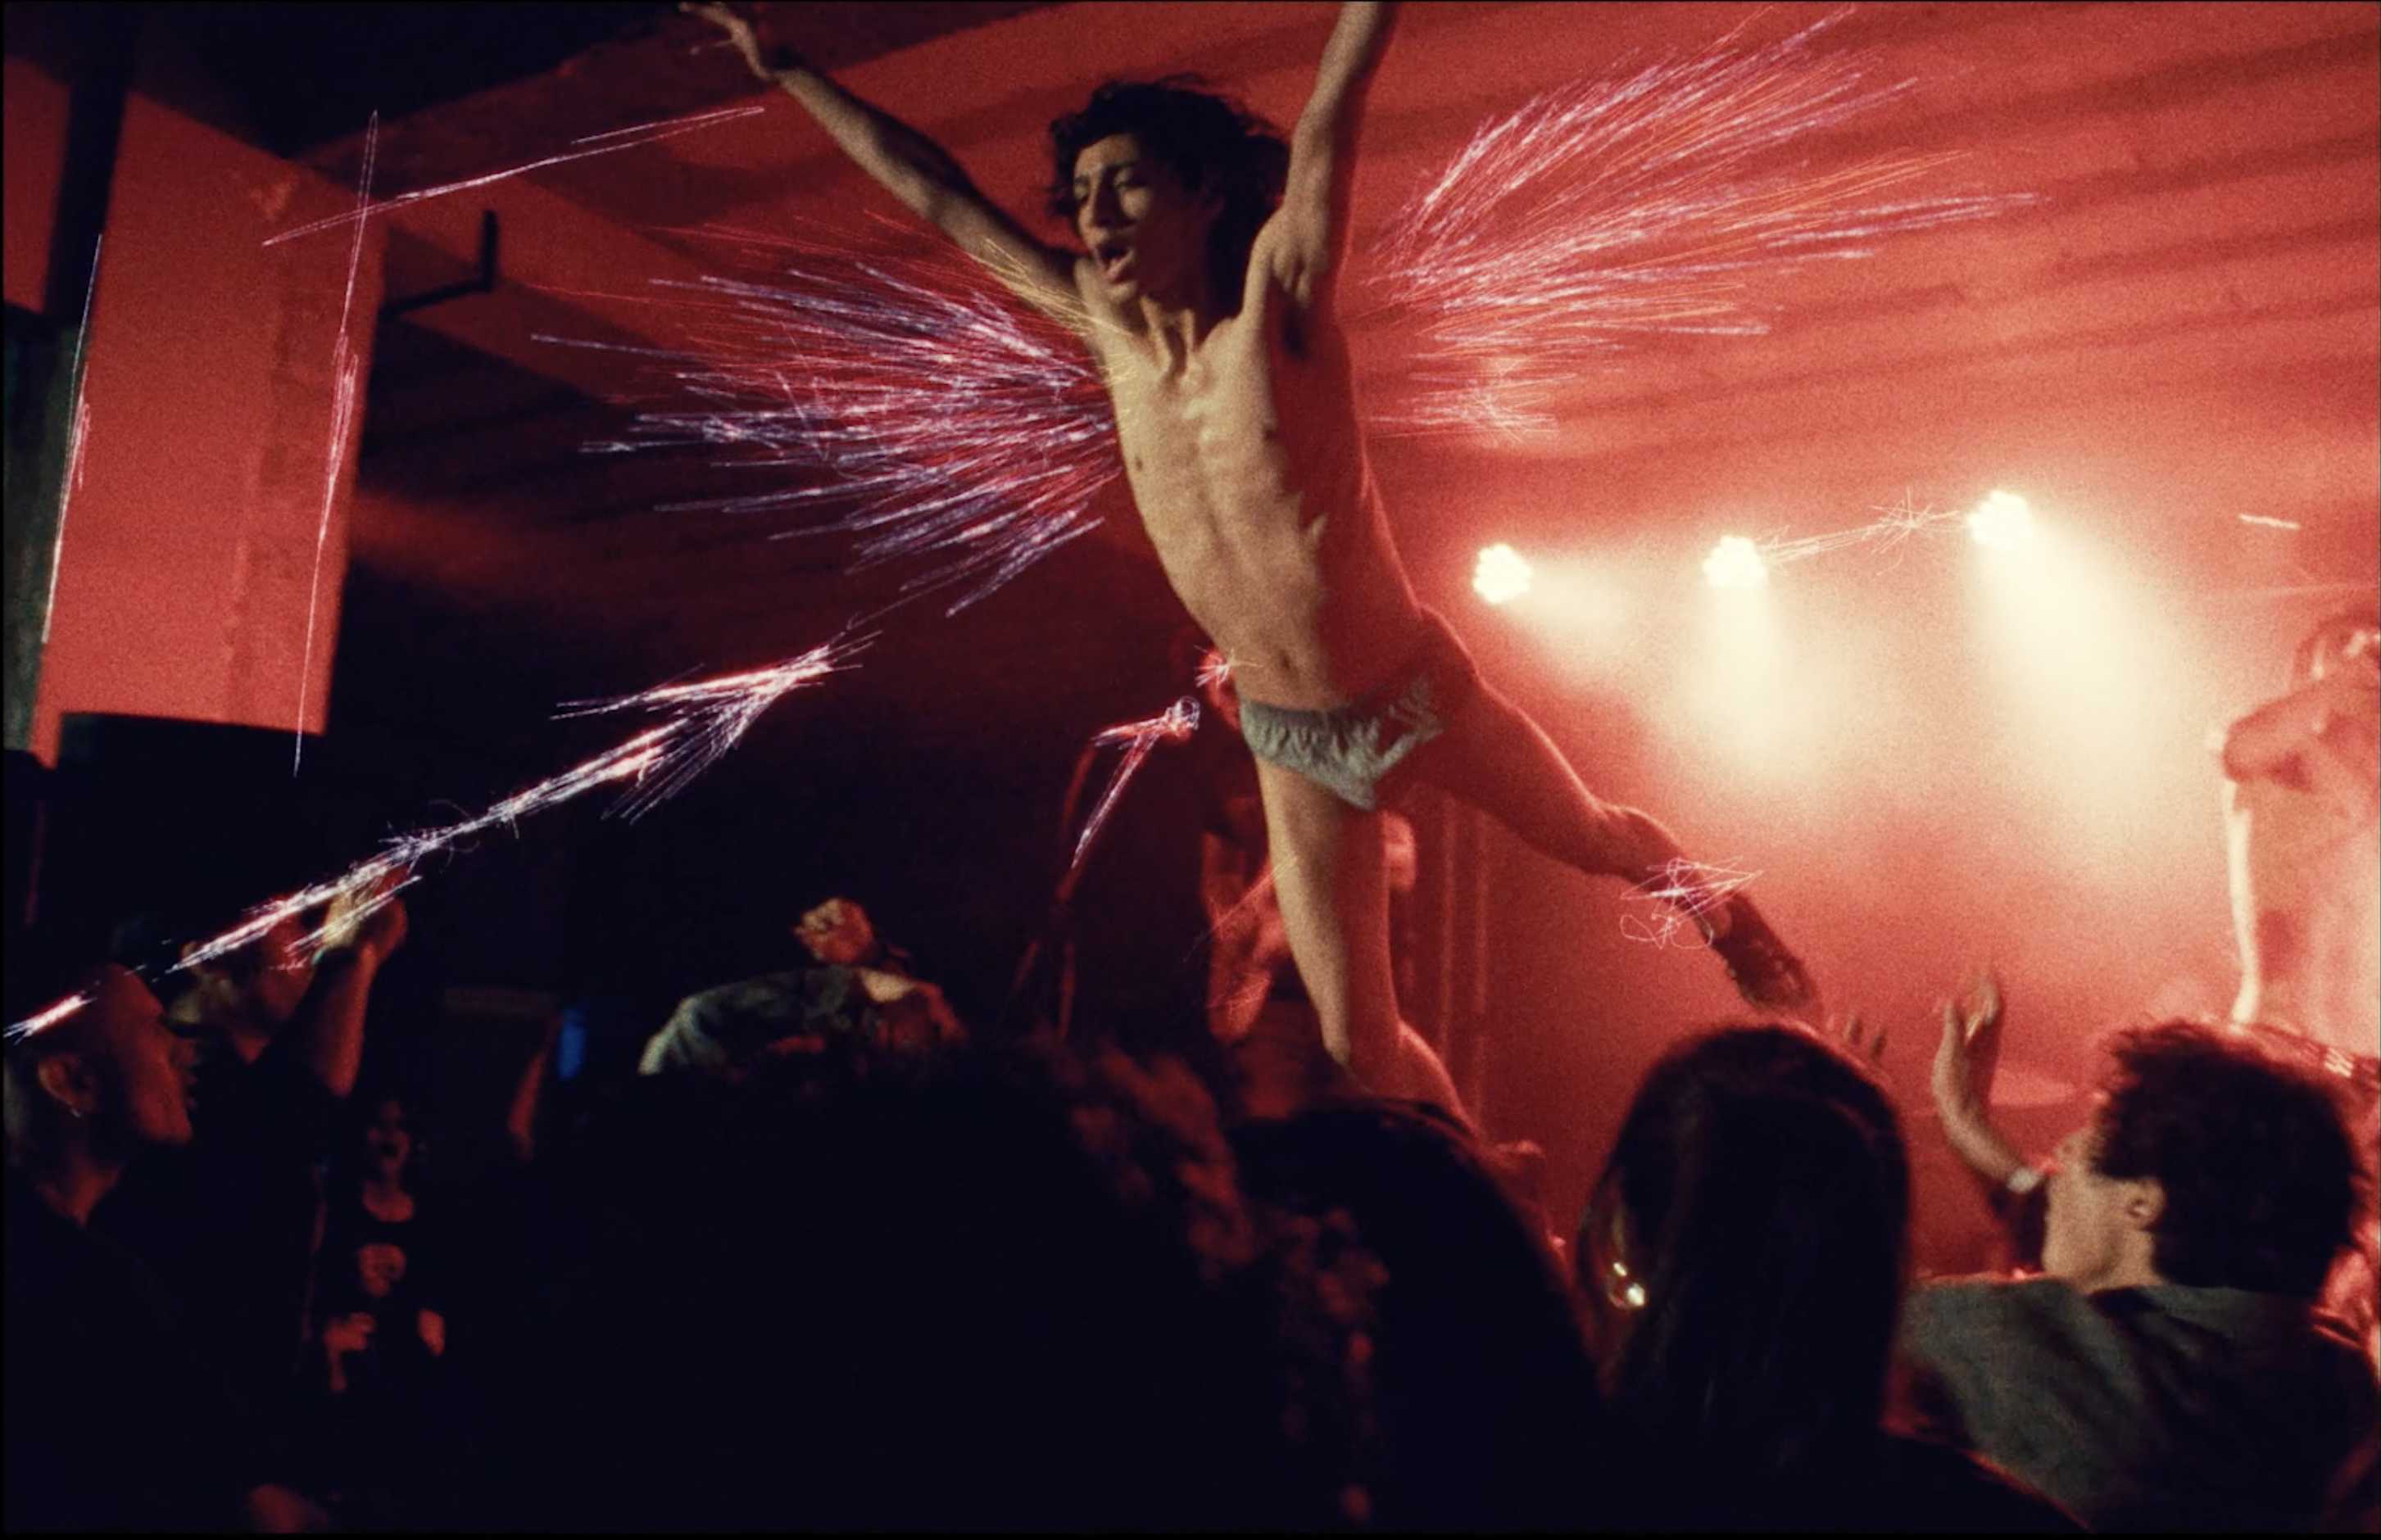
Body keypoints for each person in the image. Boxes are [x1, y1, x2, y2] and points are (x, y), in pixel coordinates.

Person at [683, 1, 1816, 1118]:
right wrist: (789, 70)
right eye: (1082, 193)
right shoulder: (1106, 331)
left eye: (1126, 184)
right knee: (1353, 1040)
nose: (1095, 213)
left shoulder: (1278, 304)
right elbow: (939, 197)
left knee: (1597, 838)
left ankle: (1726, 916)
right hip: (1292, 742)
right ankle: (1472, 1175)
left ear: (1205, 196)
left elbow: (1329, 117)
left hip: (1411, 688)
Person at [1577, 1021, 2075, 1530]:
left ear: (1616, 1237)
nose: (2064, 1154)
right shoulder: (1995, 1516)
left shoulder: (1546, 1492)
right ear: (1887, 1268)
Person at [1911, 1008, 2377, 1531]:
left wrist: (1865, 1133)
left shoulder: (2010, 1344)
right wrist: (1967, 1123)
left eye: (2087, 1137)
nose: (2062, 1150)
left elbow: (1854, 1283)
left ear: (2143, 1203)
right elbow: (2111, 1243)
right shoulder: (2342, 1385)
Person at [5, 962, 324, 1532]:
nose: (183, 1051)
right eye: (155, 1031)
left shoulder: (78, 1253)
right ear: (74, 1083)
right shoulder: (79, 1291)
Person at [2219, 606, 2380, 1067]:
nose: (2365, 650)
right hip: (2281, 1045)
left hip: (2367, 1057)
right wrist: (2341, 677)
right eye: (2344, 640)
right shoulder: (2277, 757)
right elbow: (2242, 748)